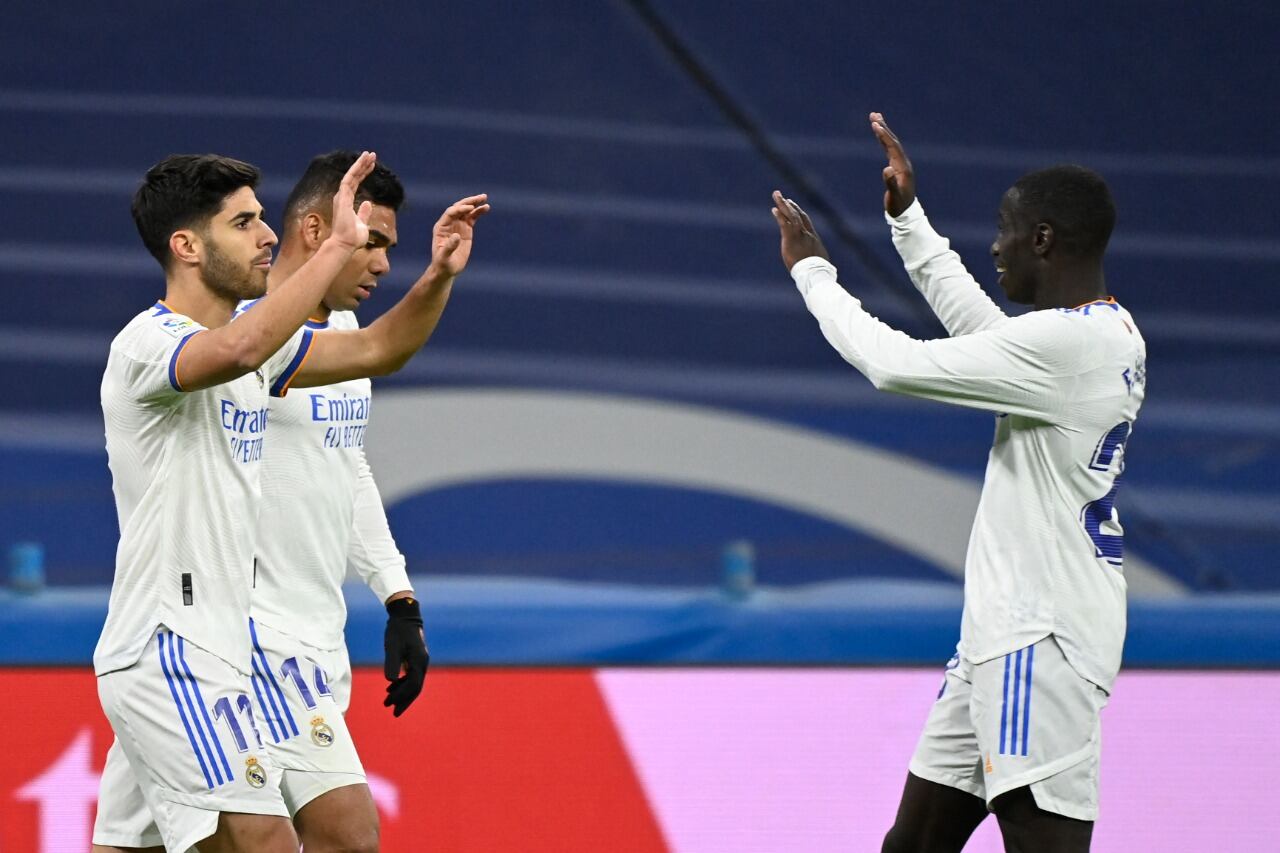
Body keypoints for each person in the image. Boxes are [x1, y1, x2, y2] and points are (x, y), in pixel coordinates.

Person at [91, 151, 486, 853]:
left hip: (223, 650)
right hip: (172, 645)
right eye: (244, 222)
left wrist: (439, 277)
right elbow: (240, 348)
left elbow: (380, 349)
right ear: (187, 246)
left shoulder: (268, 351)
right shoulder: (147, 345)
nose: (266, 234)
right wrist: (335, 247)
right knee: (285, 838)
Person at [771, 112, 1145, 853]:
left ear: (1044, 239)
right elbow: (985, 332)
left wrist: (812, 273)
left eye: (1007, 229)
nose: (996, 245)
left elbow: (893, 364)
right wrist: (908, 222)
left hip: (1039, 641)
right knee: (912, 845)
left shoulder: (1069, 345)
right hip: (998, 640)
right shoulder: (1101, 332)